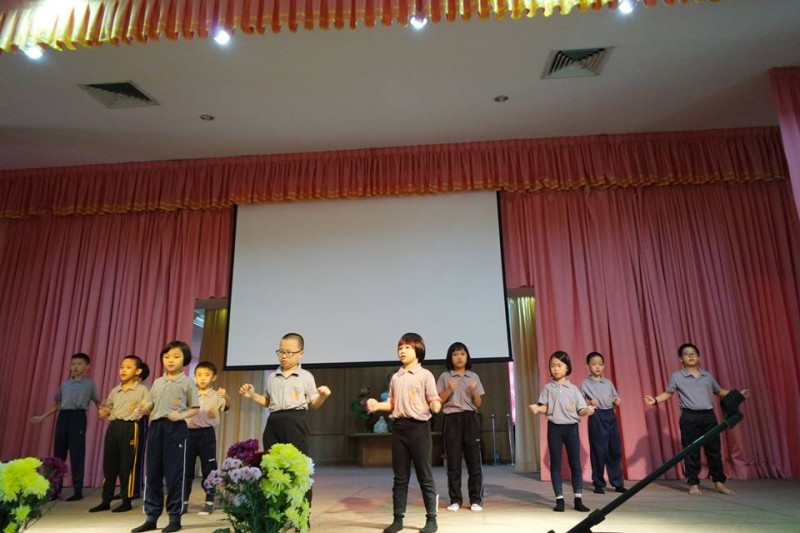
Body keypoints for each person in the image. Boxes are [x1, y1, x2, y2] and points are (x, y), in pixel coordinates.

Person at [644, 342, 750, 496]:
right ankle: (693, 483)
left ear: (699, 357)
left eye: (693, 353)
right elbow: (668, 393)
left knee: (714, 450)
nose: (690, 356)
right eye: (686, 354)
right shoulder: (677, 376)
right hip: (689, 417)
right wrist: (654, 400)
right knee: (691, 451)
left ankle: (719, 483)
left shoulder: (707, 376)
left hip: (709, 416)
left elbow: (720, 391)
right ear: (681, 359)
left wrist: (739, 395)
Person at [367, 333, 442, 533]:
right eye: (400, 347)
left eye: (407, 347)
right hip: (399, 429)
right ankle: (398, 519)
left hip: (419, 428)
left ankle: (431, 519)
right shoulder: (396, 377)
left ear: (418, 350)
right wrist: (377, 405)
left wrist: (435, 404)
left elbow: (433, 399)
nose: (402, 351)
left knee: (425, 475)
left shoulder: (425, 375)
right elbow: (391, 403)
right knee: (400, 477)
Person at [131, 341, 199, 533]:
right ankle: (151, 517)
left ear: (185, 360)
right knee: (152, 473)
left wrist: (180, 416)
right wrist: (142, 409)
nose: (170, 360)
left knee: (174, 475)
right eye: (167, 356)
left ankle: (175, 518)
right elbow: (150, 404)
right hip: (155, 427)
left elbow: (195, 408)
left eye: (176, 357)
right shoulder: (157, 382)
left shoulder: (188, 383)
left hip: (176, 429)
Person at [239, 332, 331, 456]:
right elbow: (268, 402)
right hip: (273, 421)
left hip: (295, 421)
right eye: (281, 352)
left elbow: (313, 404)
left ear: (301, 354)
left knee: (296, 457)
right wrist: (253, 395)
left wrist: (322, 396)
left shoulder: (306, 376)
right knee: (271, 457)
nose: (283, 356)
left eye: (289, 352)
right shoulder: (272, 377)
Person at [530, 350, 595, 512]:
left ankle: (578, 499)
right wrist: (537, 408)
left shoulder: (574, 389)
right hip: (554, 429)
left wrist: (587, 410)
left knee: (575, 464)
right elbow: (545, 407)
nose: (556, 369)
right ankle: (559, 499)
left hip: (571, 429)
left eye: (559, 365)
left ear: (567, 367)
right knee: (556, 463)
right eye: (552, 366)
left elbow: (580, 410)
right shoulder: (548, 388)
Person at [31, 352, 101, 501]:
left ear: (87, 366)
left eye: (79, 364)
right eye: (73, 364)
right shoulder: (65, 384)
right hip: (63, 417)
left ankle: (77, 490)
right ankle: (55, 489)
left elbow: (97, 401)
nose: (75, 367)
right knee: (58, 454)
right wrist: (42, 417)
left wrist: (102, 413)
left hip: (78, 417)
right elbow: (58, 404)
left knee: (77, 453)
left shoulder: (90, 384)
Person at [90, 355, 150, 513]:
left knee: (127, 464)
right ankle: (106, 500)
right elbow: (107, 406)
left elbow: (148, 406)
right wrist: (104, 411)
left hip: (131, 427)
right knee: (109, 464)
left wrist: (143, 409)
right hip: (114, 427)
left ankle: (126, 500)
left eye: (128, 367)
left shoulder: (142, 389)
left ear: (138, 371)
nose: (123, 370)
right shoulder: (115, 390)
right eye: (122, 367)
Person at [437, 341, 485, 512]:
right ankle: (455, 499)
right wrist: (449, 389)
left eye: (462, 354)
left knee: (474, 461)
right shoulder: (445, 377)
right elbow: (439, 401)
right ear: (450, 357)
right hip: (451, 419)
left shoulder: (473, 377)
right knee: (453, 461)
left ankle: (476, 499)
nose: (459, 357)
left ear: (467, 357)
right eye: (455, 354)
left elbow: (478, 403)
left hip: (470, 418)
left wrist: (474, 391)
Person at [183, 361, 229, 515]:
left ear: (214, 377)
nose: (202, 378)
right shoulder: (189, 394)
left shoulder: (216, 395)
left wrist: (226, 396)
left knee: (209, 469)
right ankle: (183, 501)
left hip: (207, 434)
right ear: (195, 376)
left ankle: (209, 501)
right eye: (199, 375)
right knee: (186, 468)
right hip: (188, 433)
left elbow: (227, 406)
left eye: (207, 375)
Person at [579, 351, 626, 495]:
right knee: (599, 451)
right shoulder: (585, 384)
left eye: (600, 364)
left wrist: (617, 401)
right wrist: (589, 403)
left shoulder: (608, 382)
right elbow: (579, 402)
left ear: (604, 366)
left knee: (615, 450)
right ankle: (598, 483)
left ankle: (617, 483)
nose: (597, 367)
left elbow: (615, 397)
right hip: (597, 416)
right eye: (594, 364)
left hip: (610, 415)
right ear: (588, 366)